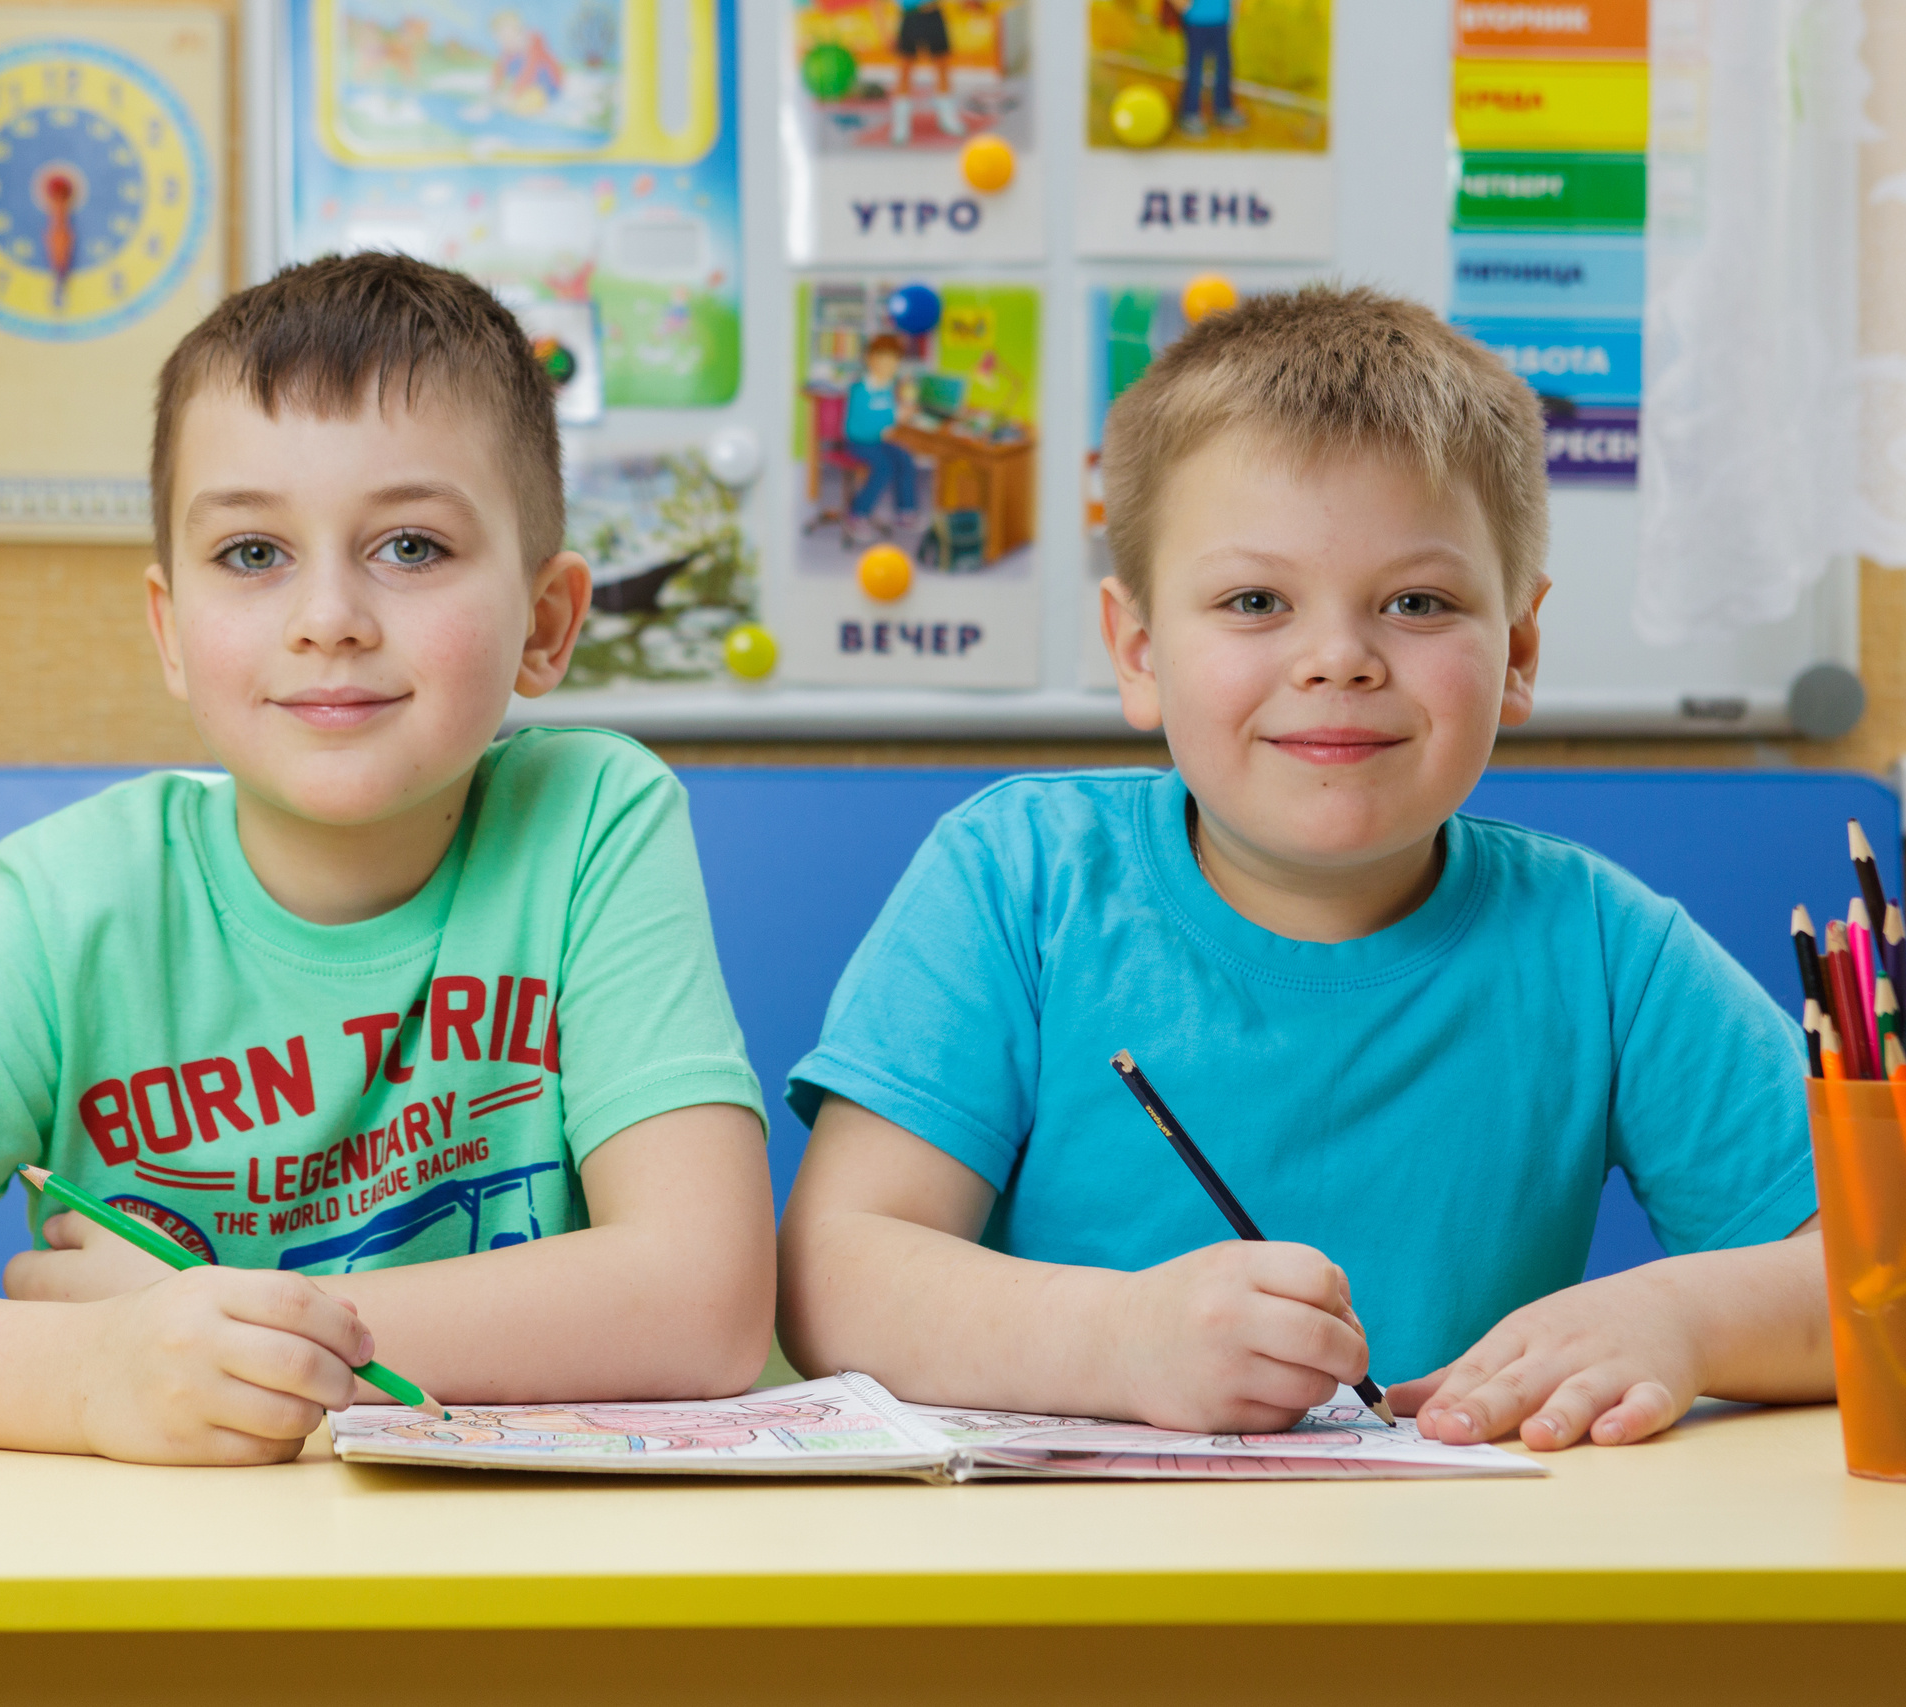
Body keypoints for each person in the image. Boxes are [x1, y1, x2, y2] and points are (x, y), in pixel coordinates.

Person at [0, 253, 776, 1465]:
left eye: (409, 547)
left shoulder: (593, 822)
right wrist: (97, 1370)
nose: (328, 616)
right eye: (252, 554)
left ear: (546, 624)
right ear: (171, 630)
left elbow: (705, 1305)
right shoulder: (74, 904)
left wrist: (218, 1330)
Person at [778, 285, 1834, 1450]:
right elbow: (830, 1281)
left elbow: (1892, 1278)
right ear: (1137, 652)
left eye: (1416, 602)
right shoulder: (1016, 880)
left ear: (1519, 650)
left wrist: (1677, 1318)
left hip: (1449, 1592)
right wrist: (1120, 1336)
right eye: (1254, 601)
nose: (1337, 657)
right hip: (1057, 1595)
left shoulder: (1601, 948)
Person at [842, 331, 921, 541]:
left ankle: (905, 511)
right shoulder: (860, 388)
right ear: (871, 360)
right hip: (858, 441)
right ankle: (857, 515)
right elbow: (860, 425)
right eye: (883, 360)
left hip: (879, 441)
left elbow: (892, 414)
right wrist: (894, 417)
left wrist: (904, 407)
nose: (889, 366)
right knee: (884, 466)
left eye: (894, 361)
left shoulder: (891, 387)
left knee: (904, 458)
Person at [1167, 0, 1244, 135]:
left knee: (1223, 65)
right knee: (1195, 67)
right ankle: (1189, 113)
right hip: (1196, 20)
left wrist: (1234, 9)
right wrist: (1182, 6)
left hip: (1222, 19)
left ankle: (1223, 109)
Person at [890, 1, 962, 146]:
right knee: (905, 69)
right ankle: (900, 123)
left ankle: (948, 118)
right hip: (910, 15)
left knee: (942, 67)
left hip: (933, 13)